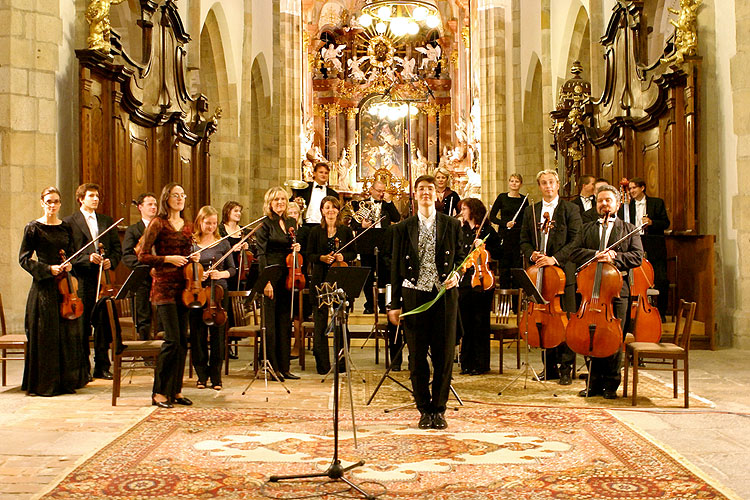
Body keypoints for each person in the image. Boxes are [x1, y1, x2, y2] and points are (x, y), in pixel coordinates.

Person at [388, 175, 465, 430]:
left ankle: (439, 410)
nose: (425, 193)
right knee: (417, 357)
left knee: (444, 356)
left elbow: (462, 258)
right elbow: (395, 269)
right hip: (414, 296)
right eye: (421, 189)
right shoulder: (402, 228)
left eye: (430, 189)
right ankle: (423, 409)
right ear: (415, 194)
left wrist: (457, 274)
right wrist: (394, 304)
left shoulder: (452, 224)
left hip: (444, 296)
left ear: (437, 195)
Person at [571, 184, 643, 399]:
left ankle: (611, 384)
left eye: (608, 200)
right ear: (596, 204)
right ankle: (593, 383)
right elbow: (574, 252)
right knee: (590, 337)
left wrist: (614, 257)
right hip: (590, 290)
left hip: (617, 291)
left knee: (613, 337)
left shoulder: (628, 229)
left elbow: (637, 257)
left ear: (617, 204)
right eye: (600, 200)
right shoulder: (587, 228)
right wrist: (595, 254)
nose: (604, 204)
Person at [19, 187, 89, 396]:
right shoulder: (33, 228)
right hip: (44, 288)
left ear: (60, 204)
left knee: (66, 335)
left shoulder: (65, 227)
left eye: (56, 201)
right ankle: (45, 384)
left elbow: (72, 254)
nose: (52, 205)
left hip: (65, 287)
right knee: (45, 334)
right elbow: (23, 259)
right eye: (48, 201)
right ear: (42, 202)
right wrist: (48, 269)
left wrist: (69, 265)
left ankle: (65, 382)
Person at [519, 169, 581, 385]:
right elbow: (524, 240)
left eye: (551, 182)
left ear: (557, 184)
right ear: (539, 186)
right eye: (543, 183)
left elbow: (576, 240)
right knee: (544, 320)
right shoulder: (532, 212)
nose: (547, 186)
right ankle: (550, 367)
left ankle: (566, 369)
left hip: (562, 275)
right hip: (541, 275)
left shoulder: (570, 210)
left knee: (565, 322)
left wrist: (554, 259)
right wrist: (531, 253)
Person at [137, 182, 196, 409]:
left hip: (186, 288)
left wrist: (194, 259)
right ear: (166, 198)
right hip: (163, 287)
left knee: (182, 341)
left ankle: (176, 390)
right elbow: (143, 256)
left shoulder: (188, 226)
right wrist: (167, 259)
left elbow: (188, 254)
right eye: (175, 195)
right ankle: (159, 392)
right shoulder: (157, 223)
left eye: (182, 194)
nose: (180, 198)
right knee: (171, 340)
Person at [64, 183, 122, 380]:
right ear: (81, 199)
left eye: (97, 196)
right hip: (82, 280)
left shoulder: (107, 221)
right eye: (91, 196)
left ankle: (102, 366)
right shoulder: (70, 222)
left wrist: (110, 261)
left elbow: (116, 250)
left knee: (102, 323)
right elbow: (69, 254)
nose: (95, 199)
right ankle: (82, 368)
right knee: (81, 324)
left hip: (103, 279)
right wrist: (87, 258)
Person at [255, 186, 301, 381]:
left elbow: (291, 247)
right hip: (270, 276)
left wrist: (297, 247)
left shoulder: (290, 222)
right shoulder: (265, 224)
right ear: (269, 203)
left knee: (285, 323)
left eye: (283, 199)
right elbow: (261, 254)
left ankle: (284, 367)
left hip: (288, 276)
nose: (280, 203)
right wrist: (266, 282)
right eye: (276, 200)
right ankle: (270, 366)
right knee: (271, 325)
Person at [306, 196, 356, 374]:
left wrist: (344, 257)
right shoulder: (315, 232)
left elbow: (353, 253)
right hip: (320, 281)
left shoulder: (345, 231)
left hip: (340, 280)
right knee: (320, 324)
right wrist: (321, 258)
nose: (330, 211)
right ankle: (322, 365)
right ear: (322, 210)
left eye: (334, 208)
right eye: (327, 208)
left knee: (341, 322)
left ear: (338, 210)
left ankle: (341, 364)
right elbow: (309, 255)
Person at [189, 206, 236, 391]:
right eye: (207, 223)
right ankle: (201, 375)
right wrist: (196, 273)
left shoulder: (223, 243)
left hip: (218, 293)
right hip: (196, 293)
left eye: (214, 223)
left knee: (218, 336)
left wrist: (220, 274)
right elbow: (185, 269)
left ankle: (216, 376)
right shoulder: (191, 243)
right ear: (200, 222)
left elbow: (232, 270)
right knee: (197, 334)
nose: (211, 227)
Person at [457, 198, 502, 375]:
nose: (462, 212)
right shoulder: (461, 230)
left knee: (479, 323)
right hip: (465, 282)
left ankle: (481, 363)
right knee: (465, 323)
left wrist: (484, 246)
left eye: (465, 209)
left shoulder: (487, 230)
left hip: (482, 281)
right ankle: (466, 362)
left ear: (473, 210)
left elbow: (499, 251)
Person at [621, 177, 670, 318]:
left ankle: (661, 313)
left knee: (661, 279)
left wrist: (652, 222)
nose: (631, 191)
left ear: (642, 188)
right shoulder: (626, 207)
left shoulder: (656, 203)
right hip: (634, 244)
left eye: (633, 188)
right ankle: (631, 312)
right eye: (629, 189)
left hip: (654, 245)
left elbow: (666, 223)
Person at [349, 180, 401, 314]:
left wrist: (389, 203)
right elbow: (353, 225)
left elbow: (396, 217)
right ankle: (370, 305)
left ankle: (384, 305)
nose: (381, 194)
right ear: (371, 190)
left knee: (385, 275)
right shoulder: (362, 204)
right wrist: (362, 226)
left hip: (384, 244)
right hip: (367, 243)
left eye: (383, 191)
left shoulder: (387, 205)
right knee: (368, 276)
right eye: (378, 191)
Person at [122, 192, 158, 340]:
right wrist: (146, 269)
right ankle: (146, 352)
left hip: (162, 277)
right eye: (150, 204)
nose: (153, 207)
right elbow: (127, 255)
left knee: (162, 316)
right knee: (143, 316)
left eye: (155, 204)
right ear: (140, 207)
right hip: (142, 279)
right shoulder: (133, 230)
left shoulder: (162, 227)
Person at [488, 173, 528, 288]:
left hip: (518, 237)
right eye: (512, 181)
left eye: (517, 181)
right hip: (505, 236)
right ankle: (504, 301)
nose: (514, 183)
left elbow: (526, 218)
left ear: (521, 184)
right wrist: (505, 223)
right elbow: (492, 217)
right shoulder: (502, 197)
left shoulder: (524, 199)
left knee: (517, 268)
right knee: (504, 268)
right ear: (509, 183)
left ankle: (517, 301)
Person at [294, 162, 339, 227]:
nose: (323, 175)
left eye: (326, 173)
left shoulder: (333, 194)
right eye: (321, 172)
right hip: (306, 225)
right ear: (314, 173)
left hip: (324, 225)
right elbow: (293, 202)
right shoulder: (304, 188)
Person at [219, 201, 247, 291]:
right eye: (235, 211)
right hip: (227, 267)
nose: (238, 213)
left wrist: (247, 246)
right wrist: (231, 249)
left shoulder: (243, 230)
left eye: (239, 211)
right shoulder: (220, 230)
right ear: (227, 211)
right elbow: (218, 249)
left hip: (242, 267)